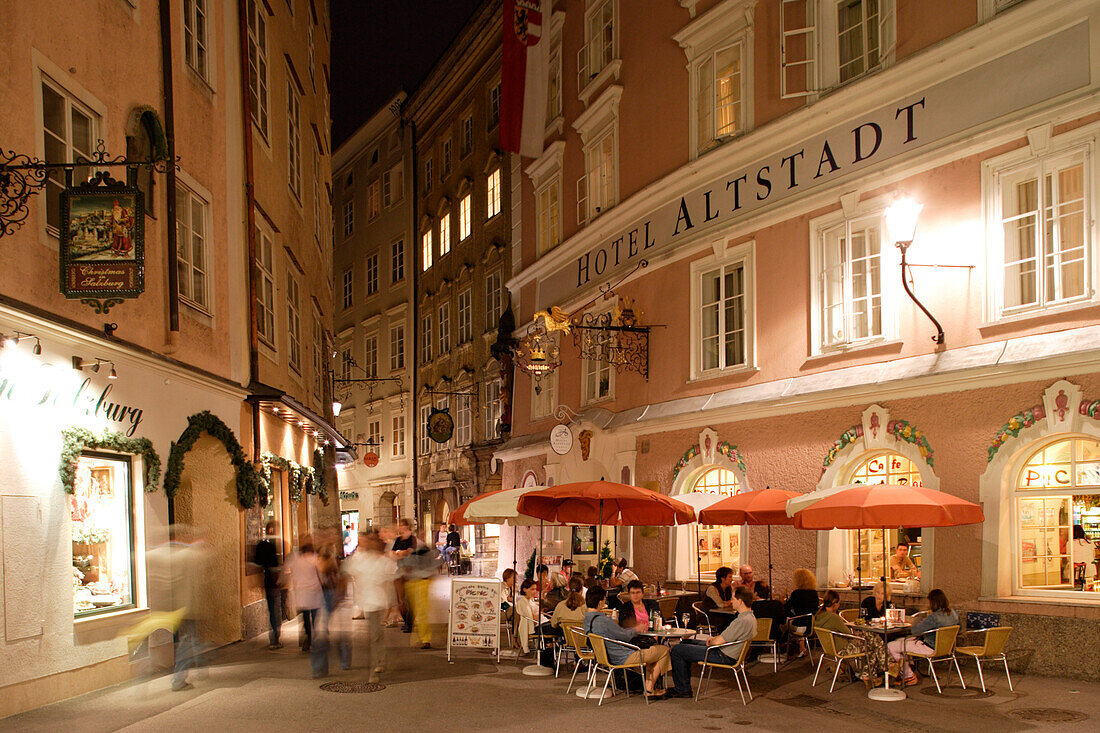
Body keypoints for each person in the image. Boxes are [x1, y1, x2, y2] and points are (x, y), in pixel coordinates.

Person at [668, 585, 757, 698]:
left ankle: (682, 689)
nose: (731, 601)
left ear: (740, 601)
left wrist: (711, 641)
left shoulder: (742, 621)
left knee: (677, 650)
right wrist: (713, 640)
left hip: (723, 654)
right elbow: (726, 637)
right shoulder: (750, 617)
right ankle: (683, 685)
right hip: (727, 650)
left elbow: (719, 641)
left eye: (733, 599)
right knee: (685, 643)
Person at [582, 586, 671, 698]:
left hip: (604, 657)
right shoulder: (604, 620)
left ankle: (648, 687)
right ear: (600, 602)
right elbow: (624, 636)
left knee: (653, 653)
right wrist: (637, 629)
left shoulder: (587, 620)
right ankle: (648, 690)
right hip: (622, 657)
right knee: (663, 650)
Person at [343, 531, 397, 683]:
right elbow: (350, 572)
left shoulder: (381, 560)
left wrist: (393, 605)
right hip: (368, 602)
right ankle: (380, 660)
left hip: (377, 601)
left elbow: (389, 581)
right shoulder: (360, 558)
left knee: (374, 636)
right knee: (376, 635)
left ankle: (374, 671)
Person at [887, 588, 959, 686]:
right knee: (899, 641)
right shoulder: (954, 614)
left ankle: (909, 676)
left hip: (929, 647)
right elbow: (960, 629)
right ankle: (908, 667)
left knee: (891, 646)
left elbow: (915, 630)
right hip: (946, 648)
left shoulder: (934, 617)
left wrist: (921, 615)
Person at [282, 539, 324, 656]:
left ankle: (309, 635)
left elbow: (286, 570)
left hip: (302, 592)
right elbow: (321, 573)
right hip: (315, 591)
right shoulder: (315, 558)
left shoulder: (296, 559)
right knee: (315, 616)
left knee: (305, 616)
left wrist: (282, 581)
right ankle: (314, 637)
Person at [403, 542, 439, 649]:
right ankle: (423, 638)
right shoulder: (414, 551)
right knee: (418, 611)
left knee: (421, 612)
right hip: (414, 583)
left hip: (421, 582)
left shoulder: (422, 550)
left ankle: (425, 639)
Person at [254, 521, 283, 650]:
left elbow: (258, 562)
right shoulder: (273, 545)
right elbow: (274, 565)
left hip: (267, 581)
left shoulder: (262, 545)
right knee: (276, 610)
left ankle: (274, 637)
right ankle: (275, 638)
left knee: (273, 610)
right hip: (274, 582)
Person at [784, 568, 819, 658]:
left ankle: (785, 648)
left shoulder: (796, 593)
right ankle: (801, 647)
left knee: (783, 624)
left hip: (800, 624)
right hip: (812, 624)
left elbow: (787, 609)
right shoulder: (814, 593)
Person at [390, 519, 417, 633]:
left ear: (407, 526)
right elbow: (392, 554)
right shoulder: (398, 539)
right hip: (399, 569)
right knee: (400, 599)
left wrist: (400, 553)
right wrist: (400, 553)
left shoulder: (412, 539)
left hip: (410, 570)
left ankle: (410, 623)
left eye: (401, 525)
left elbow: (410, 552)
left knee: (409, 598)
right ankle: (406, 621)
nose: (400, 528)